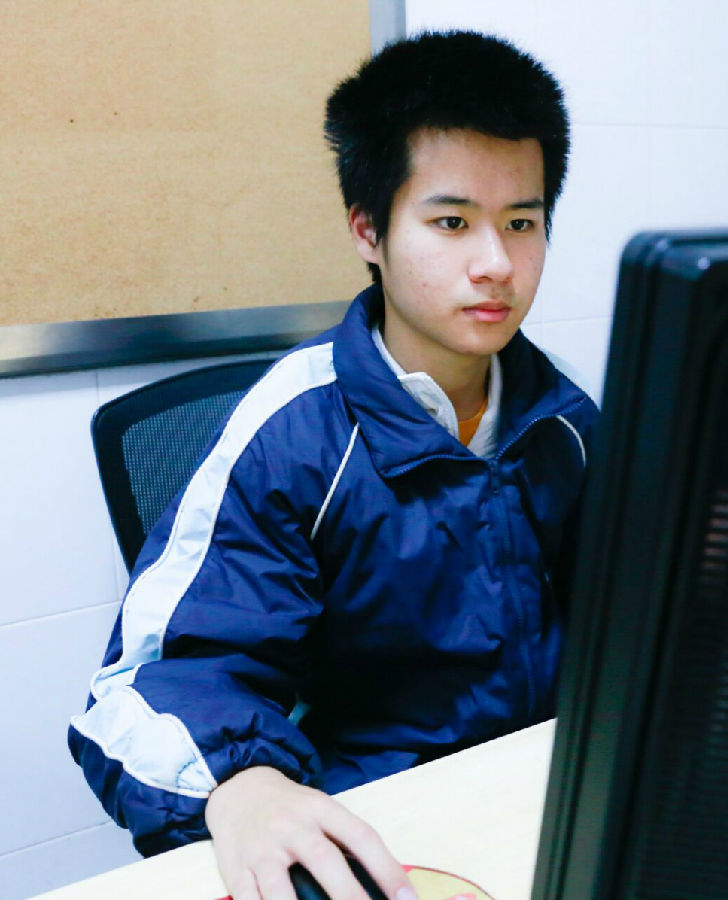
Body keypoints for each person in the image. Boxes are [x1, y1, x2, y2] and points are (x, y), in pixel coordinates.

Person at [69, 29, 599, 900]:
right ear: (368, 229)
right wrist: (243, 786)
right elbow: (135, 694)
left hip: (535, 808)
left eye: (522, 223)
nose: (497, 264)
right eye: (452, 222)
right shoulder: (295, 432)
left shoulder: (564, 422)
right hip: (370, 826)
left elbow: (636, 628)